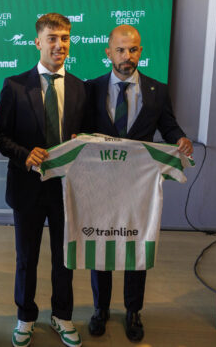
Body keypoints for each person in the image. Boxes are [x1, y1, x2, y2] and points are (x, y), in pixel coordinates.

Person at [84, 24, 193, 342]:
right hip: (100, 184)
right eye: (120, 49)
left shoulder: (158, 90)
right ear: (108, 52)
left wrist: (180, 138)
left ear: (140, 52)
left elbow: (169, 127)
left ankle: (133, 311)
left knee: (135, 245)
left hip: (138, 186)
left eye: (133, 49)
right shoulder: (91, 89)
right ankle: (100, 309)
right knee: (101, 244)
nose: (126, 56)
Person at [0, 13, 89, 347]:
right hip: (27, 187)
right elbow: (0, 136)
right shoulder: (15, 85)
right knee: (26, 258)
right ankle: (25, 316)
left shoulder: (81, 87)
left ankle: (62, 315)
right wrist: (23, 154)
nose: (59, 45)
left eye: (64, 38)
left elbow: (87, 137)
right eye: (52, 38)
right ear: (37, 42)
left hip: (67, 189)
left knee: (65, 257)